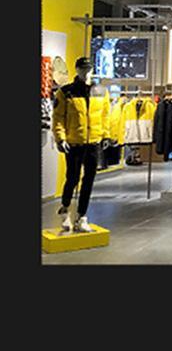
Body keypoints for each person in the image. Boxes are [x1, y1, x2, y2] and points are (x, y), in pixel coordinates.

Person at [51, 57, 110, 233]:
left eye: (88, 69)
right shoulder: (66, 92)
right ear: (76, 70)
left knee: (89, 180)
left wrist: (105, 135)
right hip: (74, 143)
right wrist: (61, 138)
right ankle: (65, 208)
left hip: (93, 142)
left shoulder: (101, 91)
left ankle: (82, 216)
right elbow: (58, 118)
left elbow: (105, 115)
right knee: (72, 178)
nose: (86, 72)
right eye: (82, 69)